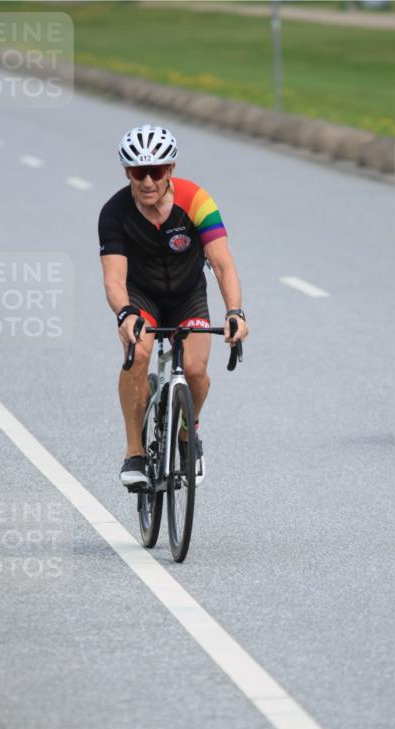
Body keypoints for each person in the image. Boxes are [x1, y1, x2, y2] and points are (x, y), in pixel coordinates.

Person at [98, 124, 248, 486]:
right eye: (138, 172)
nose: (147, 181)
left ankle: (186, 436)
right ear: (127, 173)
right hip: (141, 297)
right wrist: (125, 313)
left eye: (157, 171)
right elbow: (115, 279)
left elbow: (223, 264)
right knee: (139, 353)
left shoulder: (197, 201)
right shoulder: (114, 212)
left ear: (171, 170)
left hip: (187, 296)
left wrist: (234, 312)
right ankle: (134, 453)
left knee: (195, 371)